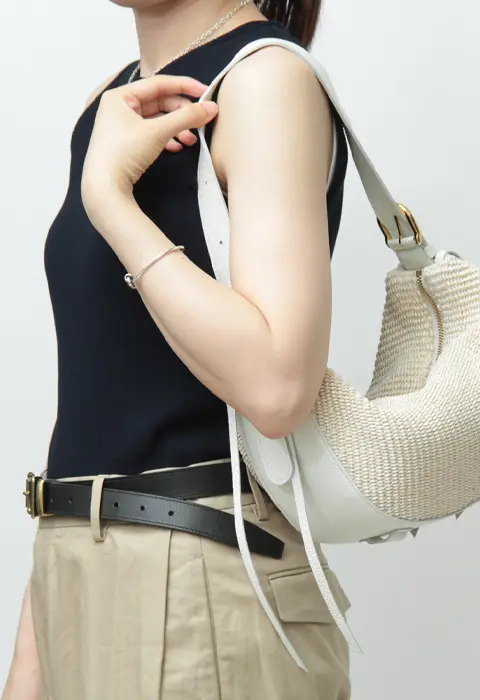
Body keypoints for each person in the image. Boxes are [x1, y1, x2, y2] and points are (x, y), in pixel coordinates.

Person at [1, 0, 352, 698]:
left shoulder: (264, 80)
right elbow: (98, 396)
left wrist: (111, 202)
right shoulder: (111, 105)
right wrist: (32, 656)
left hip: (197, 572)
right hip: (75, 567)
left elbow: (279, 386)